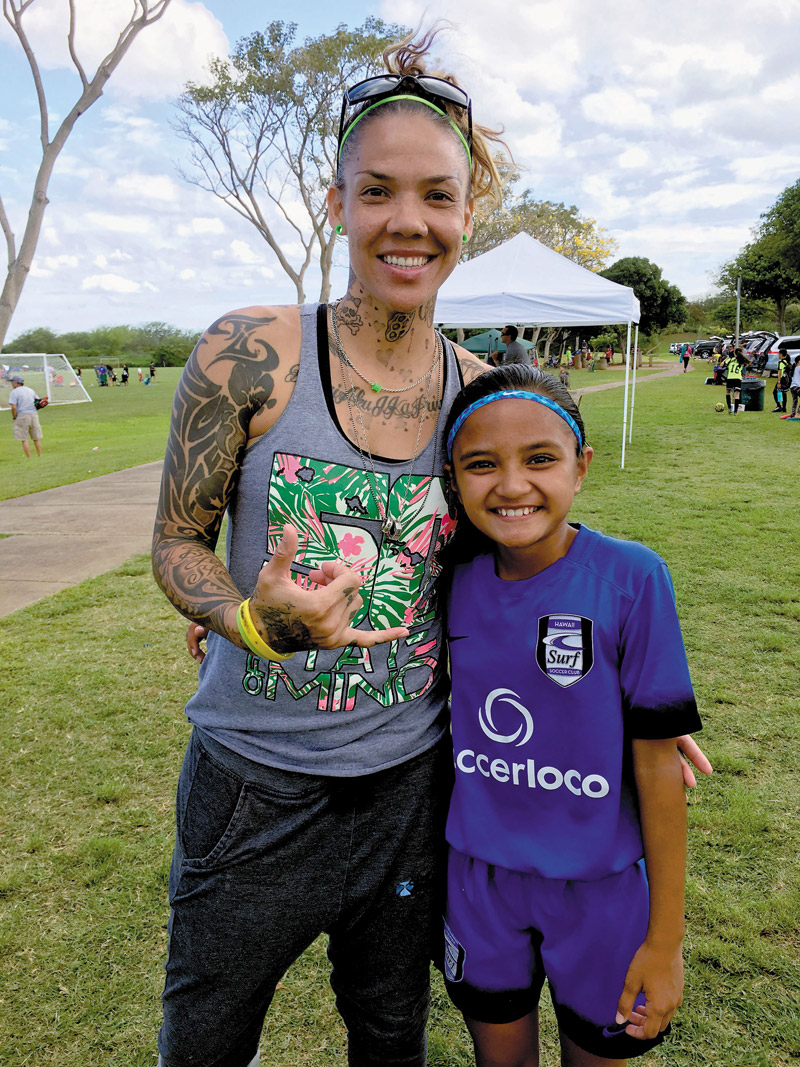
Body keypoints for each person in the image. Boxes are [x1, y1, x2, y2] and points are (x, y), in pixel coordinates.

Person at [157, 30, 711, 1067]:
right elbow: (177, 543)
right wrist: (241, 619)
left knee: (391, 1038)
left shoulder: (479, 402)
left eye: (435, 196)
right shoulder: (248, 354)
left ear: (467, 211)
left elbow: (488, 577)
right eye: (376, 192)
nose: (406, 222)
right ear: (335, 202)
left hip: (416, 794)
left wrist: (613, 715)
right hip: (252, 787)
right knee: (204, 1041)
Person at [439, 364, 701, 1067]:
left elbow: (657, 764)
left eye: (541, 459)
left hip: (600, 894)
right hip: (479, 884)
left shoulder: (632, 576)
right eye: (482, 464)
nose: (513, 484)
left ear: (581, 467)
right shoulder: (449, 579)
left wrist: (665, 940)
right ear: (454, 477)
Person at [7, 373, 43, 458]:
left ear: (16, 382)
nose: (12, 384)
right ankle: (40, 455)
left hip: (22, 415)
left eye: (12, 382)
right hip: (34, 415)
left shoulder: (14, 392)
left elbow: (13, 407)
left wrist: (14, 416)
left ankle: (28, 457)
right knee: (36, 437)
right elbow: (38, 401)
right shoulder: (30, 390)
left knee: (24, 438)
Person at [724, 346, 751, 415]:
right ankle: (735, 411)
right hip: (738, 378)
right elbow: (749, 363)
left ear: (734, 353)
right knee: (737, 395)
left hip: (730, 378)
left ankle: (730, 407)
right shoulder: (741, 361)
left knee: (728, 392)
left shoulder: (730, 360)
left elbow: (722, 365)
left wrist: (726, 359)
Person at [782, 354, 800, 419]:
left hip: (793, 387)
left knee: (795, 401)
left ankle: (793, 414)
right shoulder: (799, 368)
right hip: (798, 387)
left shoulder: (794, 368)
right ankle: (798, 414)